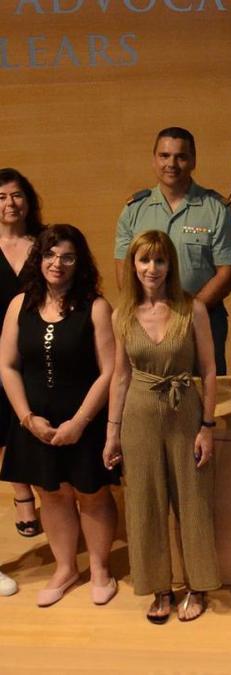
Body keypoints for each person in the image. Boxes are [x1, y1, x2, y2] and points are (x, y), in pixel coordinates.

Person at [104, 230, 220, 623]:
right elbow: (119, 376)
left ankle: (198, 586)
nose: (151, 269)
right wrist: (111, 432)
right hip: (138, 412)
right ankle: (159, 588)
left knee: (192, 499)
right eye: (143, 260)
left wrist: (207, 426)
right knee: (144, 502)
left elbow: (207, 368)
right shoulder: (121, 314)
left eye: (159, 261)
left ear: (170, 265)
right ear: (133, 265)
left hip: (184, 410)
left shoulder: (193, 309)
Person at [0, 225, 118, 607]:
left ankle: (100, 569)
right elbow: (7, 366)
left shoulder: (96, 307)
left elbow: (109, 371)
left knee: (92, 493)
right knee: (50, 494)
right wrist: (26, 418)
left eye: (67, 256)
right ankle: (65, 568)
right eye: (51, 255)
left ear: (78, 262)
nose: (58, 263)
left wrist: (80, 422)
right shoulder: (20, 304)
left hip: (84, 419)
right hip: (35, 421)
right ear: (40, 259)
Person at [114, 127, 231, 374]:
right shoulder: (134, 209)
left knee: (203, 396)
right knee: (148, 393)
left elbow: (228, 273)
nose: (171, 163)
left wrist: (188, 313)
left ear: (193, 161)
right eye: (164, 156)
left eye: (180, 157)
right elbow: (123, 269)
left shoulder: (216, 209)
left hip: (202, 320)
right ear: (154, 160)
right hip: (145, 321)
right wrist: (152, 310)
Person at [0, 168, 45, 570]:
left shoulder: (43, 245)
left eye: (16, 195)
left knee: (26, 422)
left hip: (34, 349)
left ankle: (39, 496)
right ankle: (22, 496)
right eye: (1, 197)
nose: (9, 204)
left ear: (28, 200)